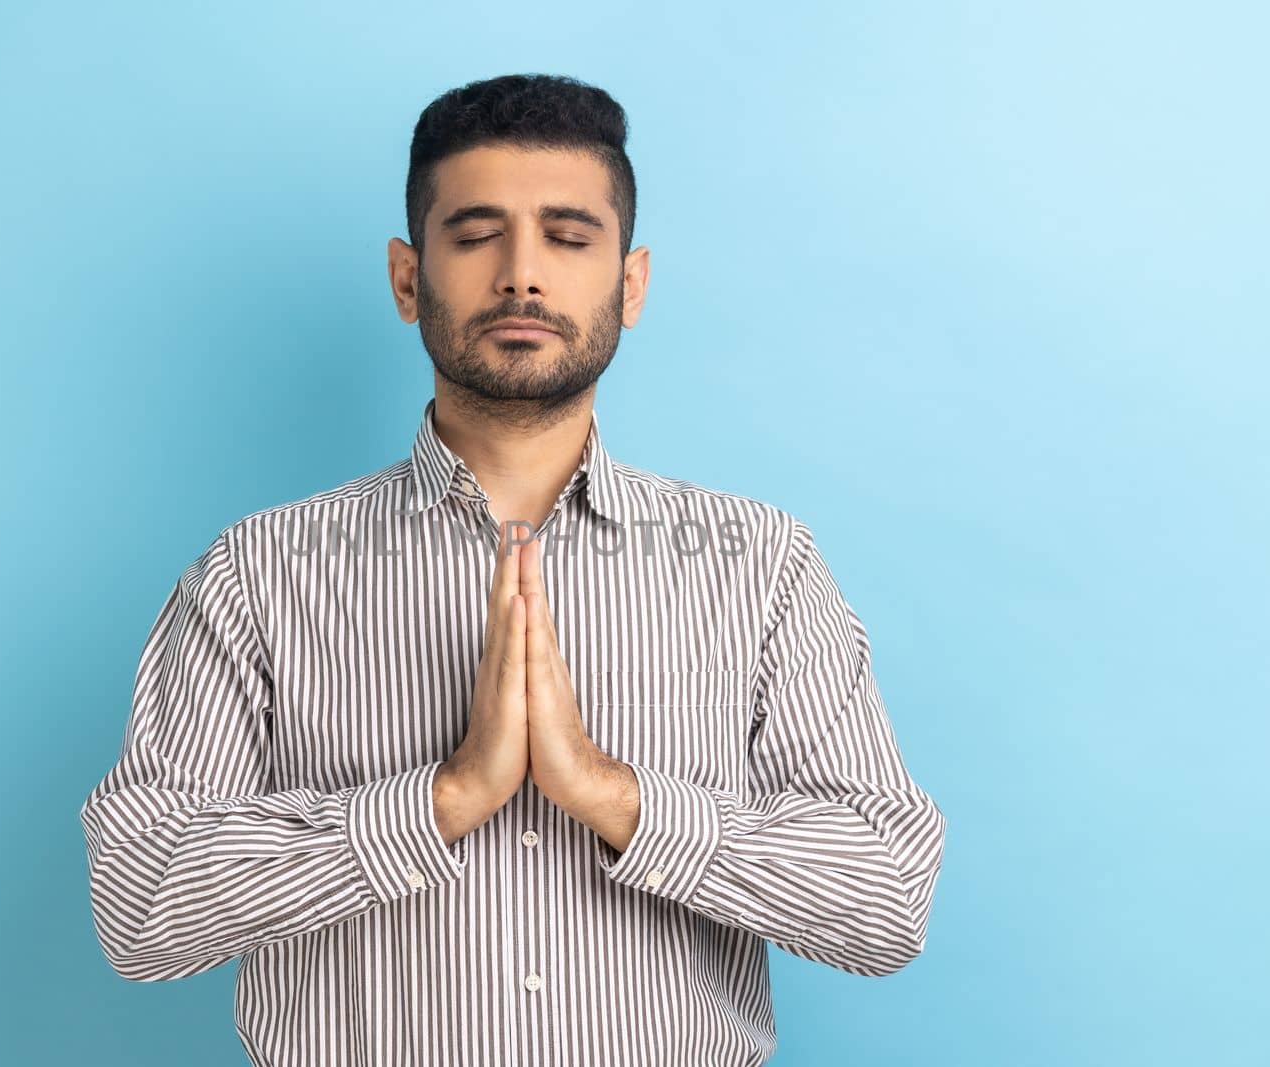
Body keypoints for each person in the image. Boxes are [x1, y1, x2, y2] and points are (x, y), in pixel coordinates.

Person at [78, 72, 946, 1067]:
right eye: (476, 234)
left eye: (569, 238)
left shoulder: (760, 565)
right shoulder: (258, 573)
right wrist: (438, 799)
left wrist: (612, 796)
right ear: (408, 279)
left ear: (630, 281)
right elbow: (141, 904)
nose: (521, 275)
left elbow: (885, 901)